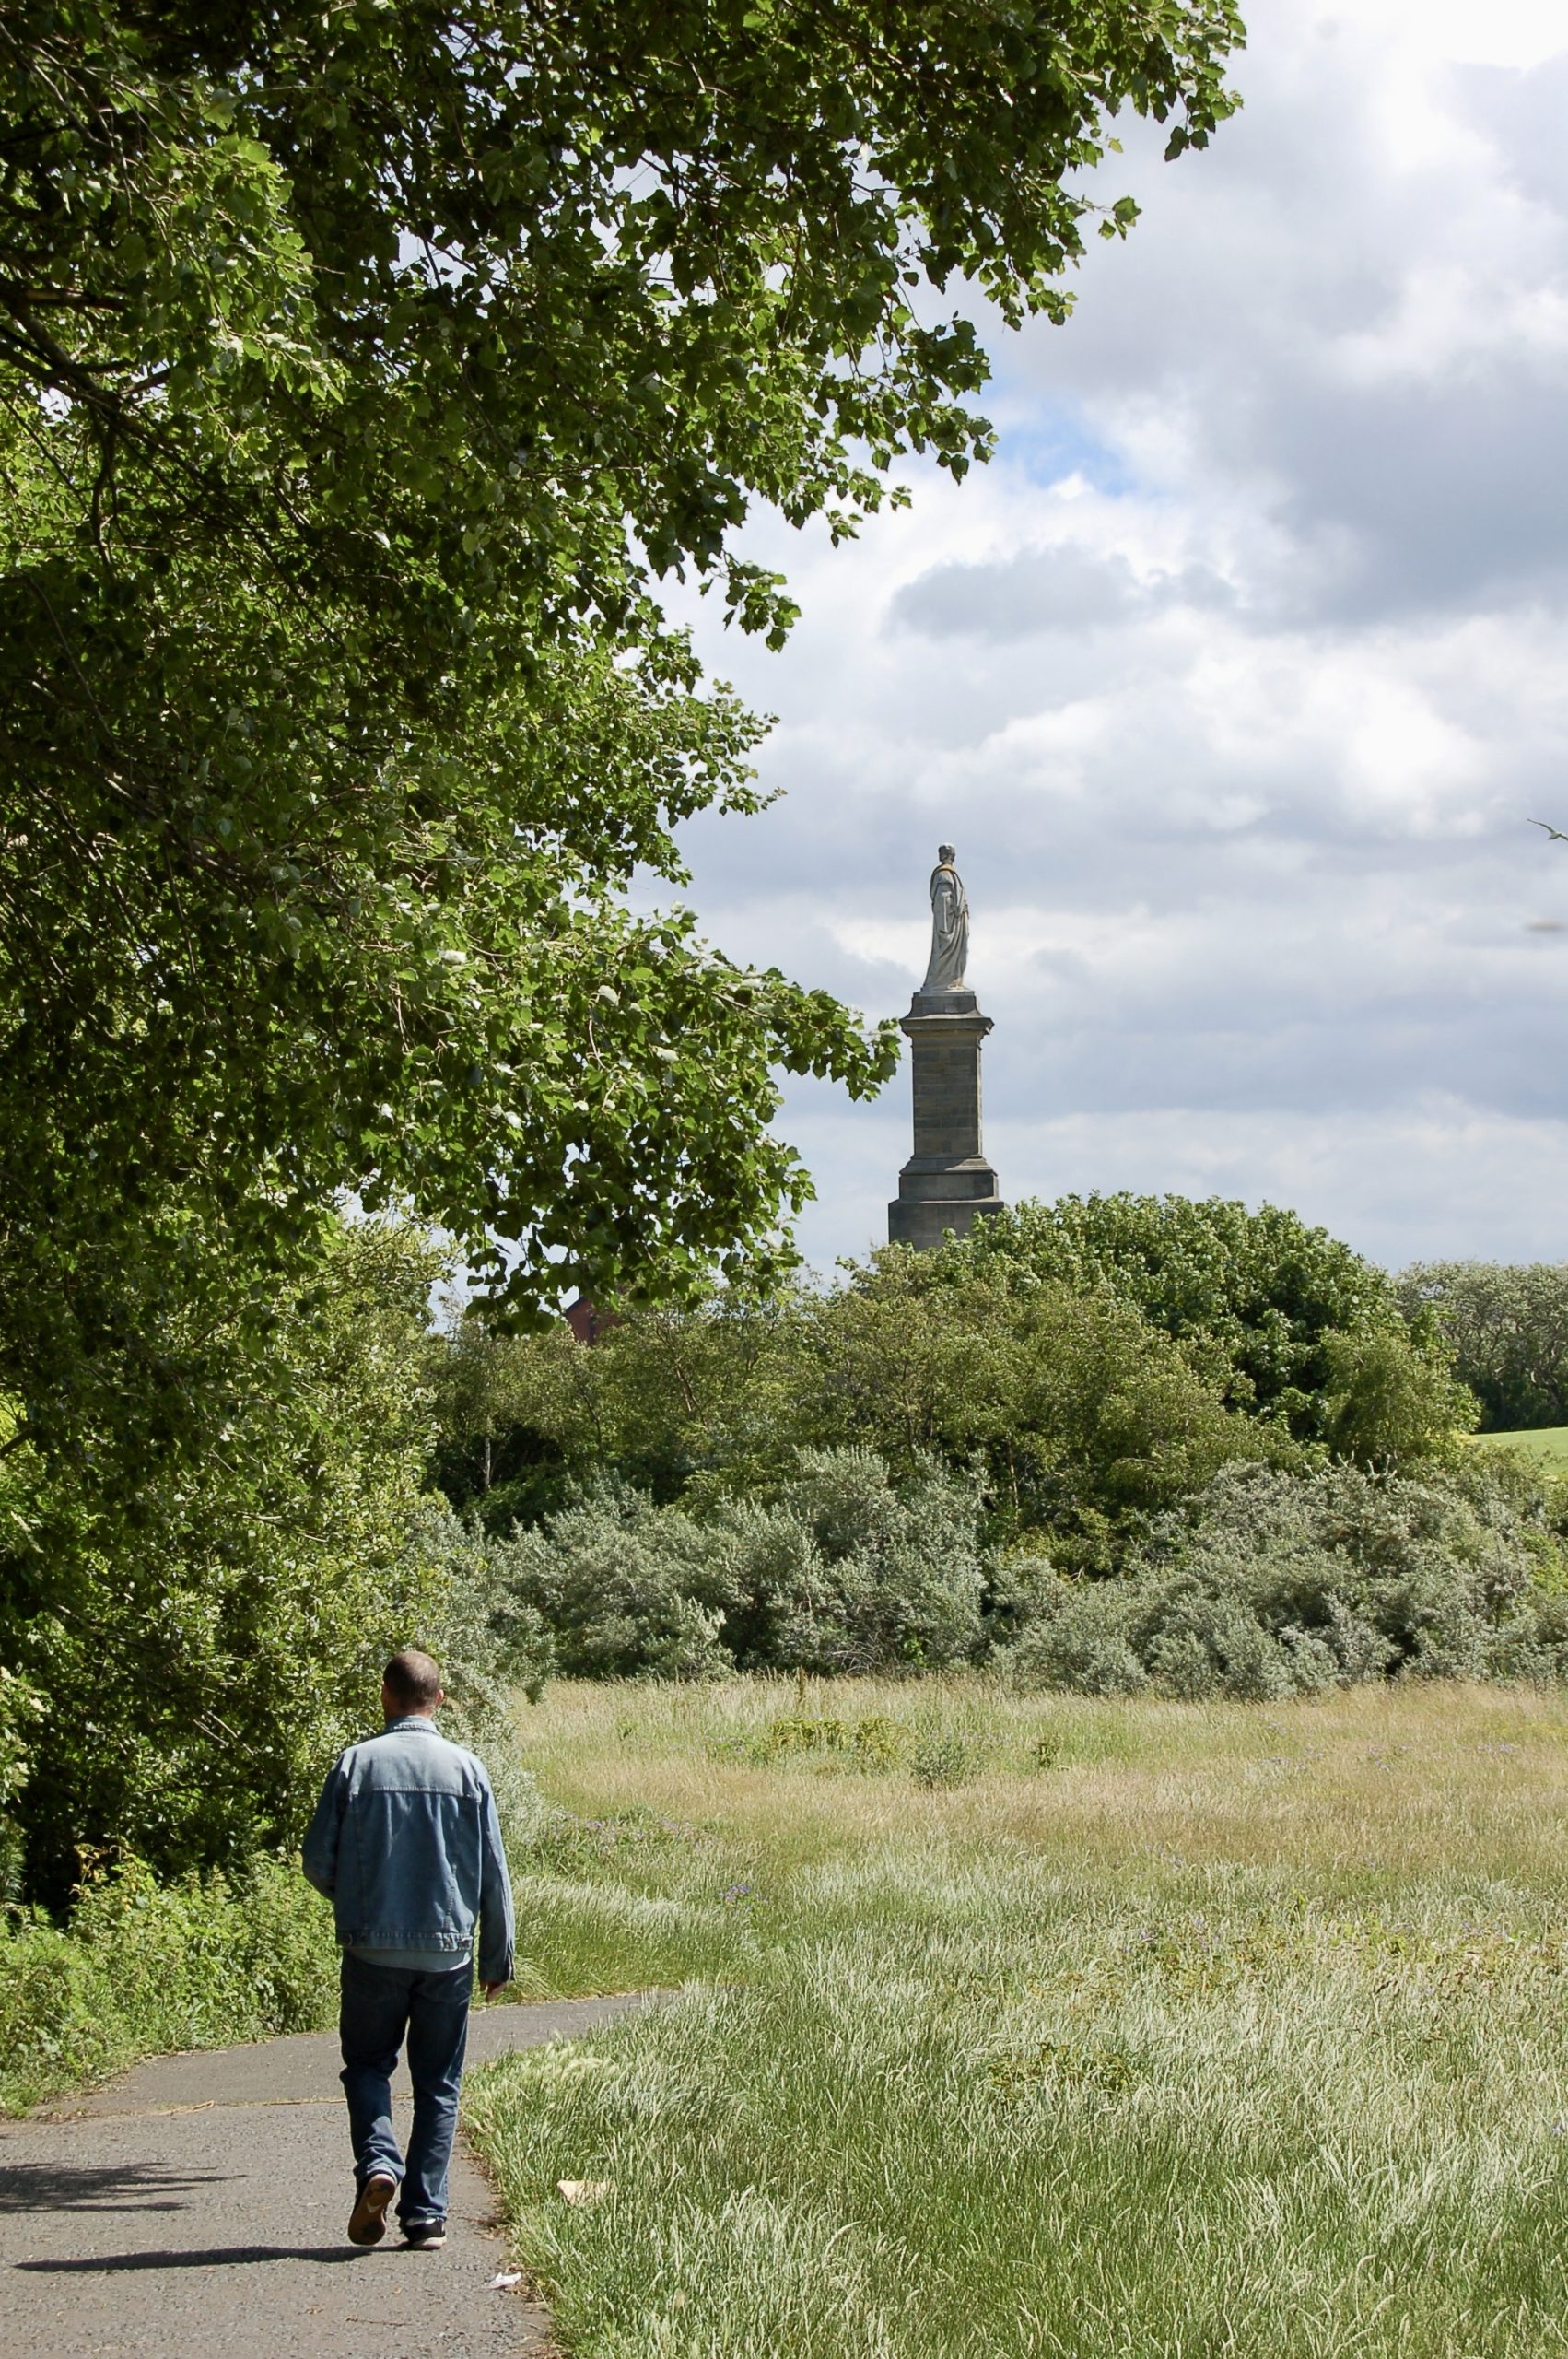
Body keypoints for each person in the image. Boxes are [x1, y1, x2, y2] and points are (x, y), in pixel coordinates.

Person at [302, 1648, 515, 2251]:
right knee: (438, 2084)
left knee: (368, 2066)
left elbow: (317, 1860)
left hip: (373, 1948)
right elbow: (492, 1874)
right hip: (448, 1954)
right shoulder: (469, 1770)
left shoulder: (355, 1765)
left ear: (385, 1695)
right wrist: (498, 1957)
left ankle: (378, 2162)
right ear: (438, 1699)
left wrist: (358, 1901)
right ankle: (425, 2217)